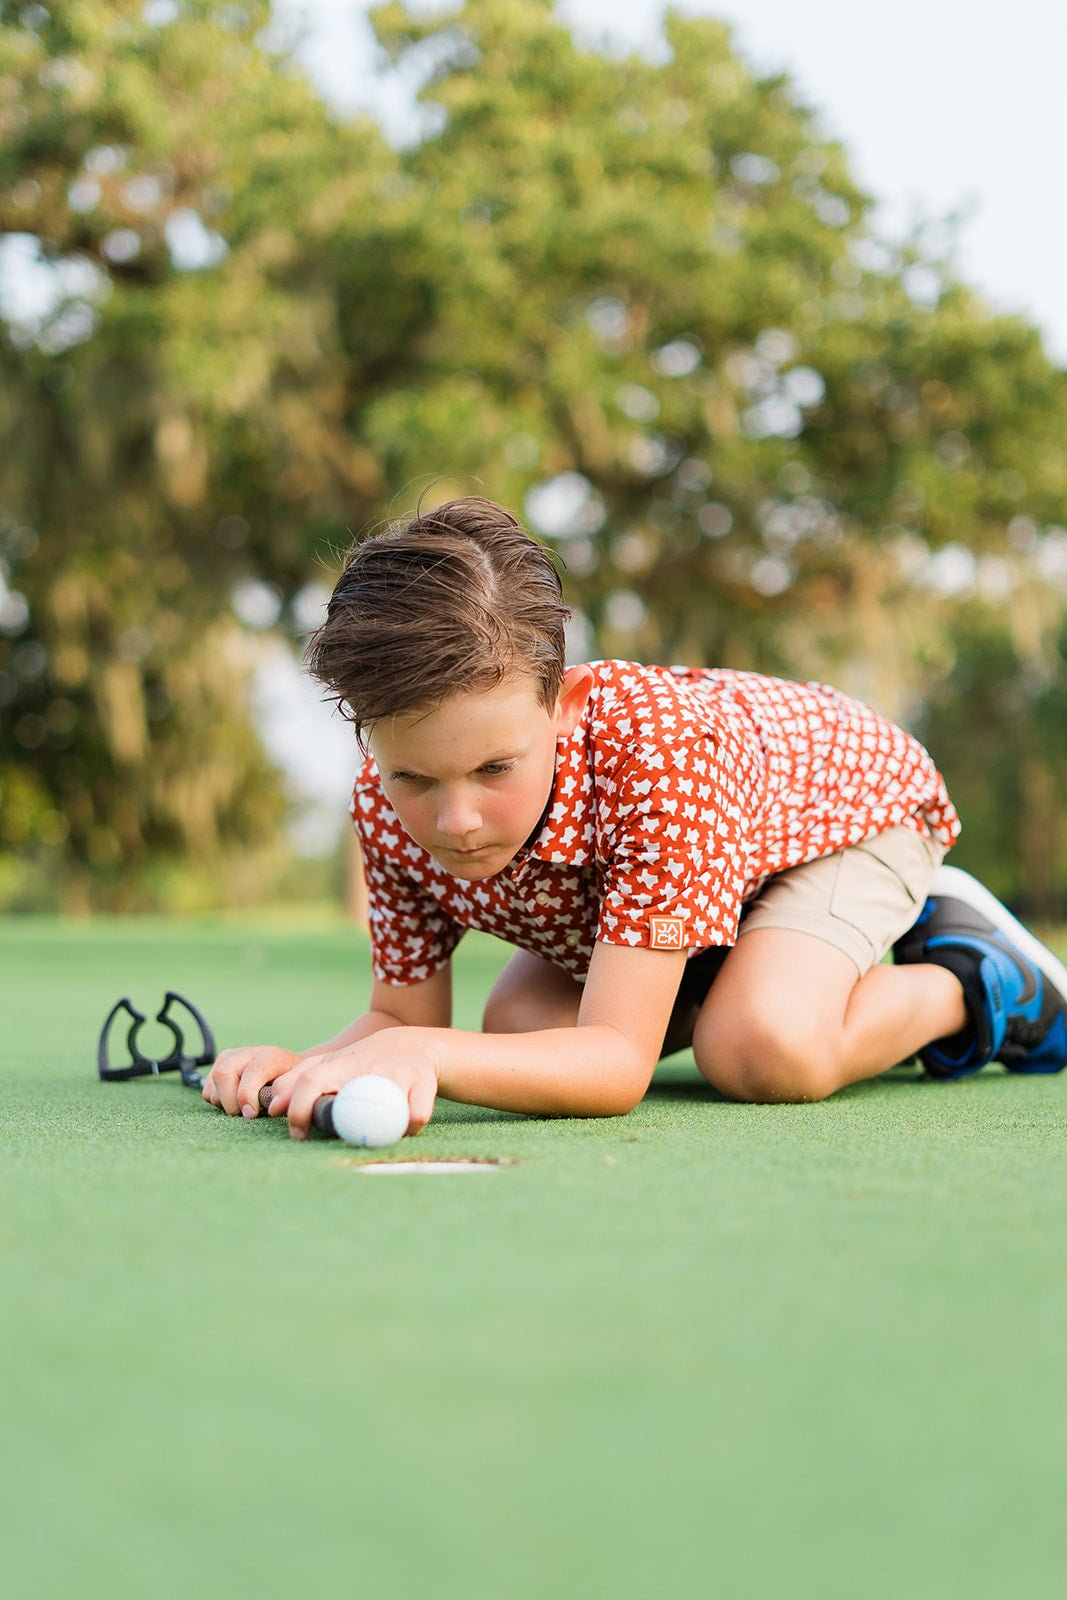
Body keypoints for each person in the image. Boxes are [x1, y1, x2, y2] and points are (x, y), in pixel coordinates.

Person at [203, 496, 1067, 1138]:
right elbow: (401, 1016)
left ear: (565, 704)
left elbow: (614, 1063)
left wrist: (429, 1056)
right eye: (413, 777)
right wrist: (310, 1065)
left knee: (760, 1048)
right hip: (695, 885)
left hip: (842, 819)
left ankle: (979, 980)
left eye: (494, 769)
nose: (456, 818)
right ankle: (740, 965)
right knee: (518, 1034)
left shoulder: (659, 763)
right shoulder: (382, 813)